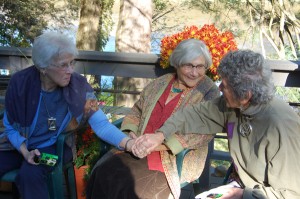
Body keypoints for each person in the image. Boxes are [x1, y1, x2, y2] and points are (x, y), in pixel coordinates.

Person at [132, 50, 300, 199]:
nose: (219, 88)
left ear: (245, 96)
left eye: (224, 86)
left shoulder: (282, 128)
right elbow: (192, 114)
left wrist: (241, 195)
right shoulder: (232, 105)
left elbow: (291, 194)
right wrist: (160, 134)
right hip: (240, 183)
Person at [0, 31, 134, 199]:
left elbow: (101, 124)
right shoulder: (20, 84)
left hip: (53, 147)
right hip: (17, 144)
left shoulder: (79, 87)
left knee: (30, 174)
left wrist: (128, 143)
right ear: (43, 67)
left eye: (72, 63)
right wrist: (25, 151)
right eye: (64, 65)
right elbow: (10, 126)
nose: (70, 70)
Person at [86, 39, 220, 199]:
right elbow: (137, 110)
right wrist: (131, 134)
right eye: (188, 65)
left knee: (136, 190)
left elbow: (205, 130)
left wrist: (160, 145)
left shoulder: (209, 91)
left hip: (170, 157)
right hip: (136, 146)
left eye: (200, 66)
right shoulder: (160, 83)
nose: (194, 72)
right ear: (177, 63)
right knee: (104, 173)